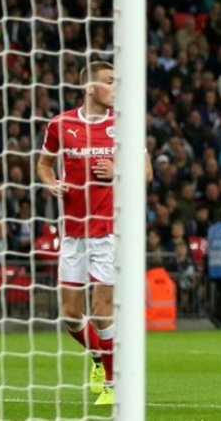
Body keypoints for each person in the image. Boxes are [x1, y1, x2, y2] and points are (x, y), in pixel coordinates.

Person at [36, 61, 152, 407]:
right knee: (71, 315)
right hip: (73, 231)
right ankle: (100, 360)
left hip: (108, 231)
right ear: (90, 88)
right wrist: (50, 182)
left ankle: (114, 385)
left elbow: (145, 174)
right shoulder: (61, 124)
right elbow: (43, 163)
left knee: (102, 309)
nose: (117, 89)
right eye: (110, 82)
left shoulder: (125, 124)